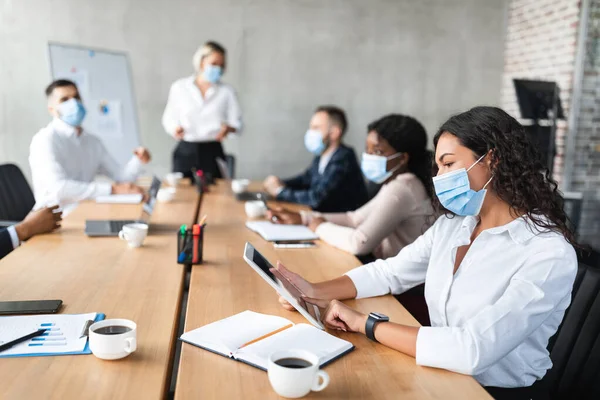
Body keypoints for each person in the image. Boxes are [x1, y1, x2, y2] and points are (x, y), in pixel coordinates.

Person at [273, 106, 578, 399]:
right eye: (438, 166)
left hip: (494, 393)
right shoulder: (453, 226)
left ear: (493, 160)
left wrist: (364, 323)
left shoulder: (548, 253)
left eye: (449, 164)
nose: (440, 176)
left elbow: (473, 349)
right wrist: (312, 290)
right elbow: (389, 272)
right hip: (441, 374)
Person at [267, 114, 432, 260]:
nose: (369, 156)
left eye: (378, 152)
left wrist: (319, 226)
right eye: (368, 149)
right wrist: (304, 218)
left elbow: (359, 243)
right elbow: (353, 219)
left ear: (403, 158)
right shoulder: (396, 181)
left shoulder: (404, 188)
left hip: (401, 289)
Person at [29, 79, 151, 206]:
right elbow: (59, 188)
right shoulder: (44, 140)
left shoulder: (92, 142)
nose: (74, 103)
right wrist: (112, 189)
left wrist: (139, 160)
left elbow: (121, 178)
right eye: (65, 100)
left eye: (76, 97)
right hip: (54, 218)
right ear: (52, 110)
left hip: (86, 210)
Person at [162, 41, 242, 180]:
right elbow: (169, 118)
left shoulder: (226, 92)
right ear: (201, 62)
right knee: (183, 195)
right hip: (186, 150)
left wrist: (228, 129)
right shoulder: (180, 87)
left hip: (212, 151)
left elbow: (237, 124)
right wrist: (175, 128)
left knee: (216, 197)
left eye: (221, 65)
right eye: (214, 63)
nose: (218, 68)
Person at [263, 106, 368, 213]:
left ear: (334, 133)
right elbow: (305, 180)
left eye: (316, 128)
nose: (310, 132)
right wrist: (279, 182)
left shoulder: (344, 158)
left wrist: (280, 191)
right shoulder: (322, 155)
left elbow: (317, 199)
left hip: (343, 224)